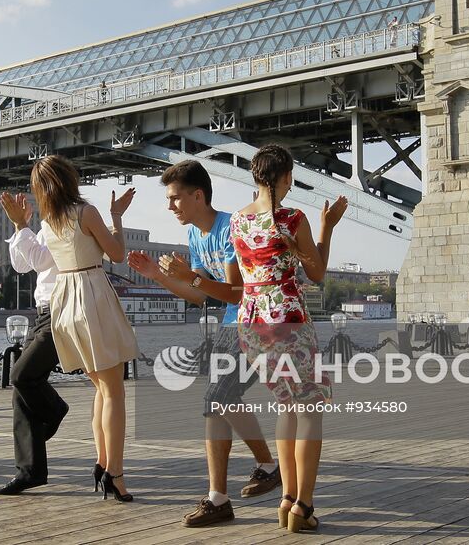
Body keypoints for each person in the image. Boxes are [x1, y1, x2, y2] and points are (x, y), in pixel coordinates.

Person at [127, 160, 281, 527]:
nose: (170, 207)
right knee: (219, 400)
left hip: (257, 322)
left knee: (217, 398)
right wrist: (156, 275)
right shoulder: (197, 235)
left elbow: (236, 292)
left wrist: (190, 279)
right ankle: (259, 470)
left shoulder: (229, 228)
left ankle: (226, 493)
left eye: (175, 198)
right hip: (236, 324)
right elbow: (196, 296)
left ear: (198, 195)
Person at [230, 144, 347, 533]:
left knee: (286, 405)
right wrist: (327, 226)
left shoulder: (237, 221)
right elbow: (317, 273)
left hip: (251, 321)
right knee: (310, 406)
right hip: (287, 318)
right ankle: (303, 505)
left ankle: (286, 499)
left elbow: (243, 274)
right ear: (286, 178)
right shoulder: (291, 218)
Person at [31, 155, 139, 502]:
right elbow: (117, 253)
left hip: (65, 299)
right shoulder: (85, 212)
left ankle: (102, 463)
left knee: (101, 389)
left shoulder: (48, 222)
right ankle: (115, 473)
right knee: (114, 392)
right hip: (92, 295)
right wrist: (117, 217)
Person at [0, 190, 70, 495]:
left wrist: (20, 226)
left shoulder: (64, 224)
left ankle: (54, 410)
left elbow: (39, 261)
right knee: (21, 390)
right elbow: (21, 265)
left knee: (21, 376)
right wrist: (19, 228)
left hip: (60, 311)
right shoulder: (45, 226)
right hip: (42, 314)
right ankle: (30, 471)